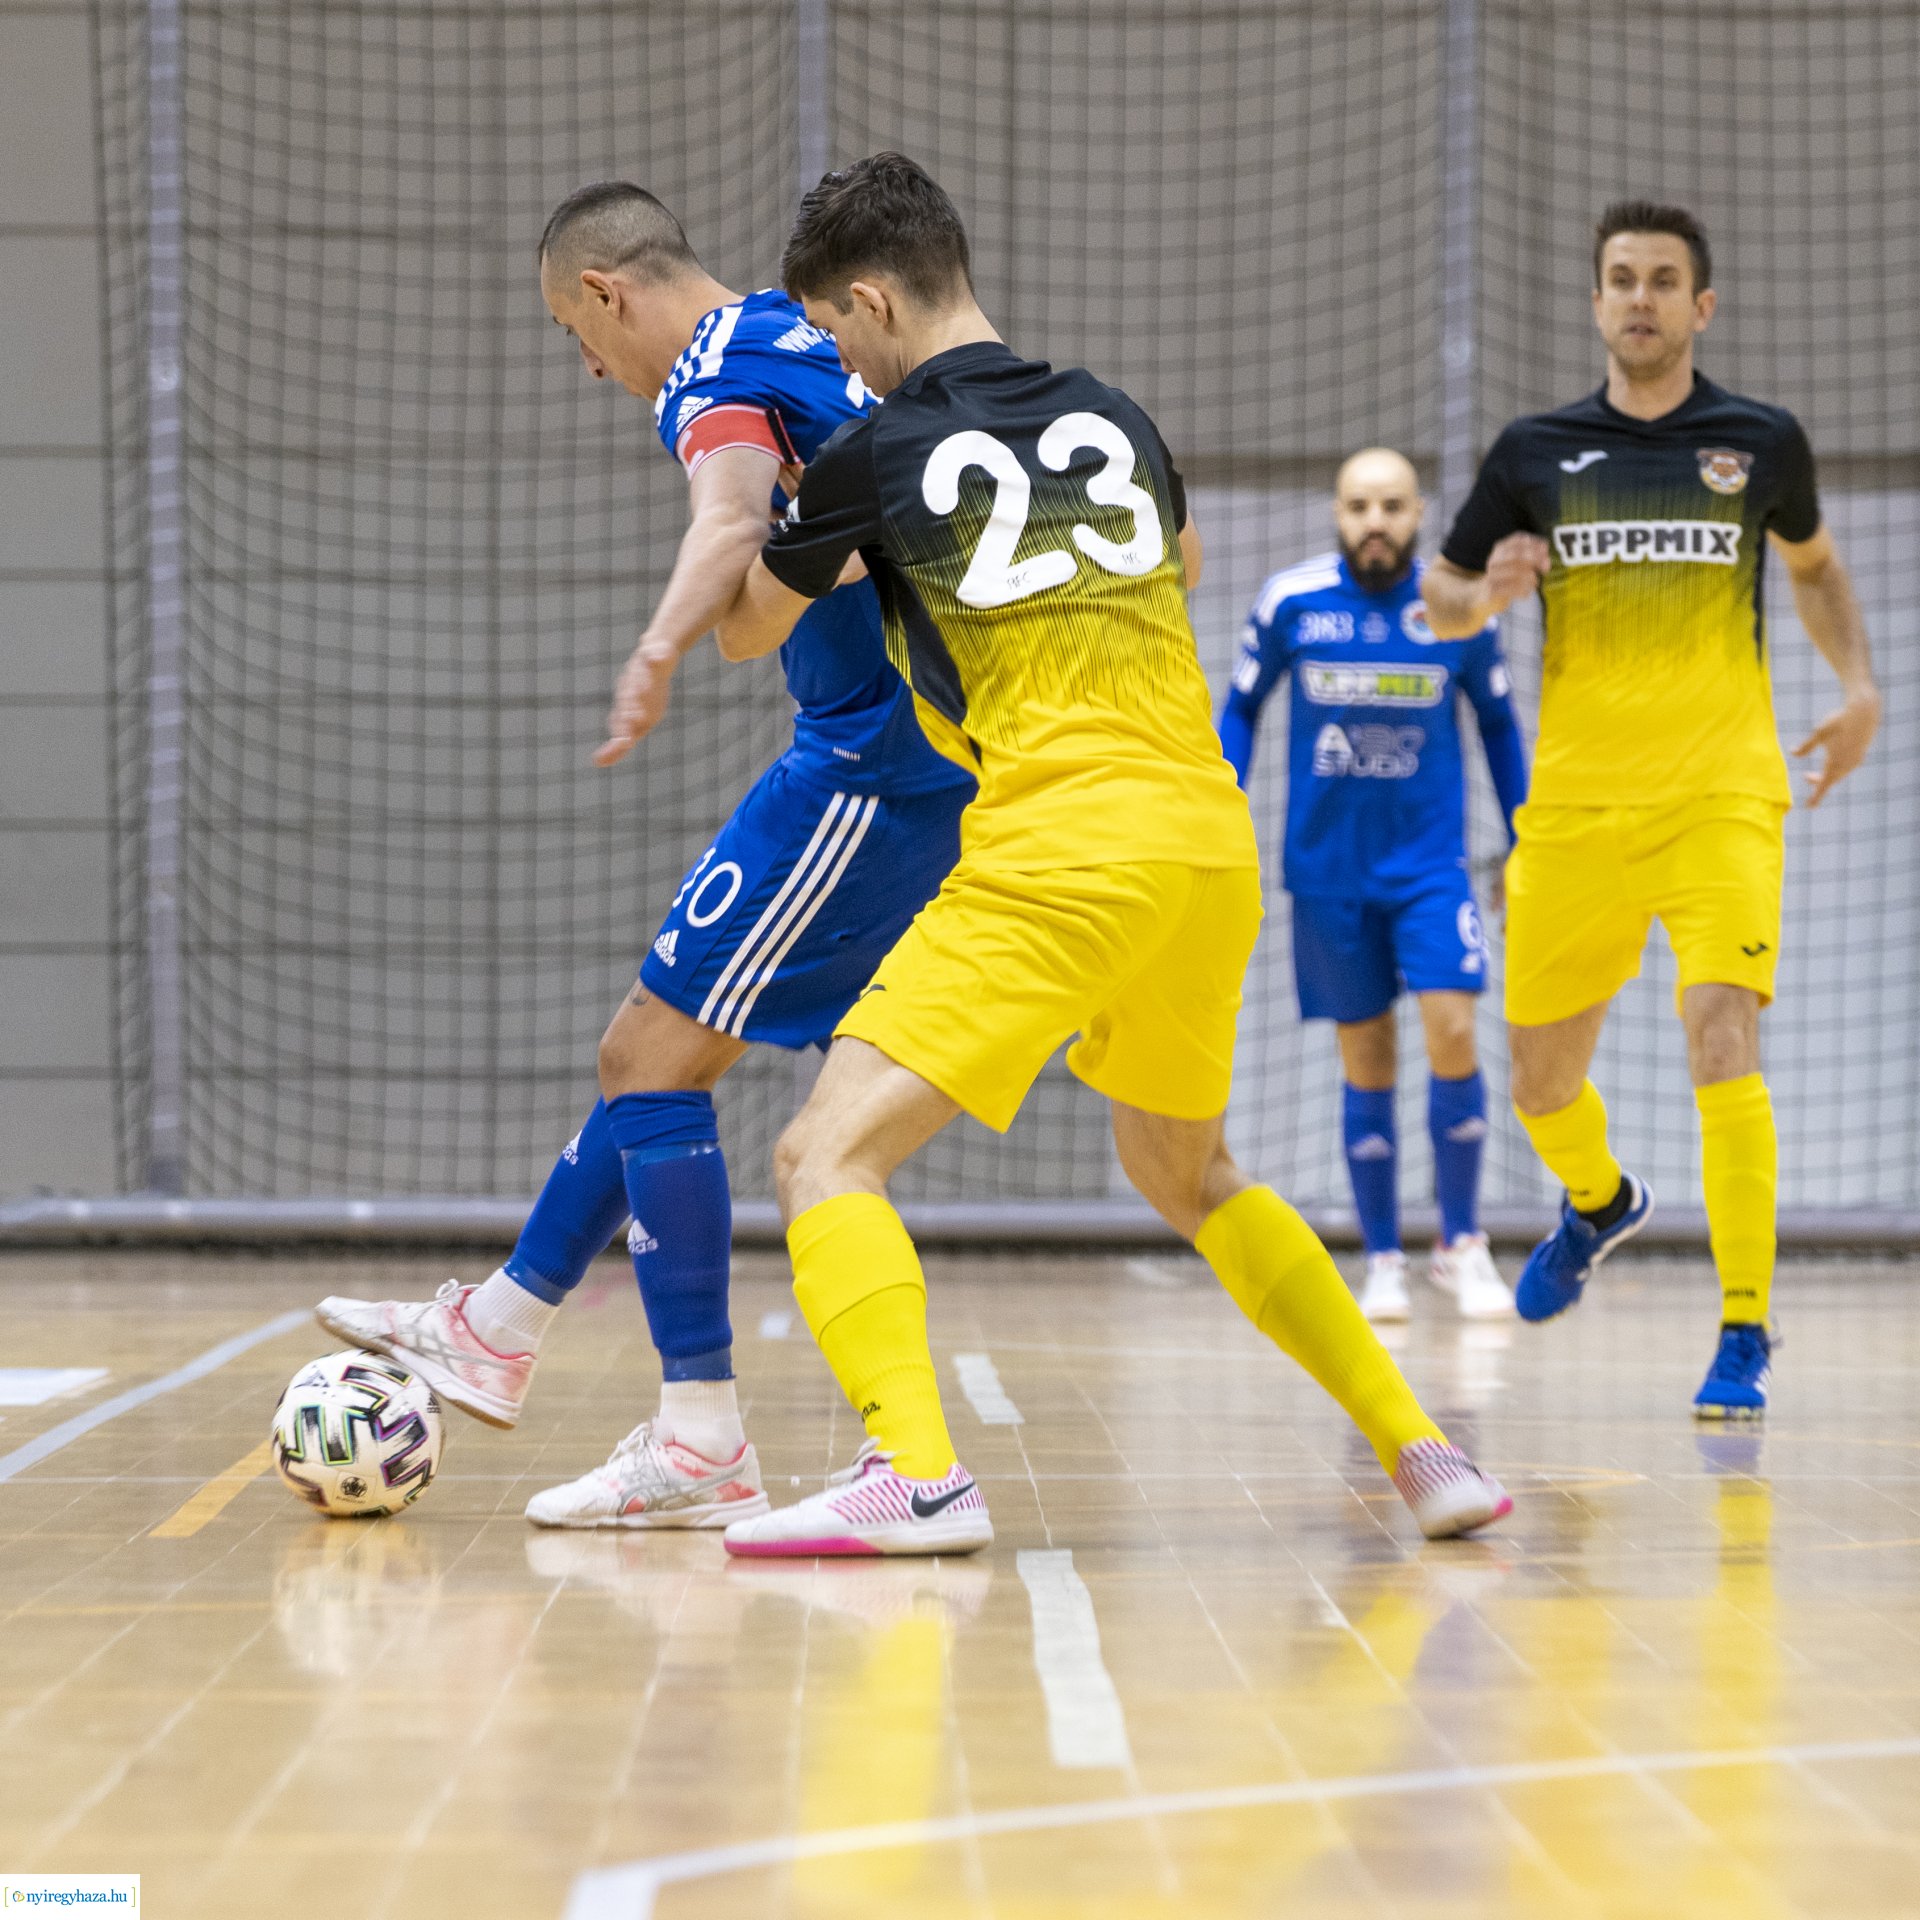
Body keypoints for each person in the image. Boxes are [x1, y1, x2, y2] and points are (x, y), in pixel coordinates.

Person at [689, 153, 1510, 1555]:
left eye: (833, 334)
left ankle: (917, 1477)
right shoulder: (1116, 419)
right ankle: (1425, 1452)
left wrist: (772, 488)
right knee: (1186, 1172)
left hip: (1060, 847)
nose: (836, 358)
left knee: (825, 1158)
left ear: (874, 301)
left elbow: (747, 627)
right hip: (1203, 848)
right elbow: (1173, 566)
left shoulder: (870, 456)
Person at [313, 183, 975, 1524]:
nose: (589, 363)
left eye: (576, 332)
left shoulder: (712, 370)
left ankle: (692, 1435)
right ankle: (508, 1331)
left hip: (873, 764)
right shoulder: (799, 334)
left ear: (609, 294)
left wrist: (656, 649)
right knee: (663, 1055)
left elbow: (730, 522)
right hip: (909, 753)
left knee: (648, 1056)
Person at [1424, 200, 1881, 1418]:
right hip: (1574, 810)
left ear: (1700, 306)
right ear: (1596, 303)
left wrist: (1861, 689)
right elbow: (1443, 595)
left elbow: (1820, 567)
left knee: (1722, 1031)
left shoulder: (1759, 443)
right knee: (1536, 1082)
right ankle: (1599, 1201)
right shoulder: (1533, 450)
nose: (1640, 297)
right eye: (1620, 278)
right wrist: (1486, 590)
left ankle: (1744, 1329)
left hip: (1723, 794)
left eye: (1663, 280)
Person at [1220, 448, 1527, 1322]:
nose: (1375, 523)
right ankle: (1385, 1257)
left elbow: (1501, 725)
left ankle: (1462, 1243)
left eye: (1392, 505)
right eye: (1359, 506)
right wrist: (1222, 802)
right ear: (1337, 512)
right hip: (1328, 877)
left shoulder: (1455, 610)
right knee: (1368, 1059)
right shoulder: (1292, 603)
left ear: (1420, 511)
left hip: (1432, 871)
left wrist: (1524, 838)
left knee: (1454, 1026)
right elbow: (1241, 708)